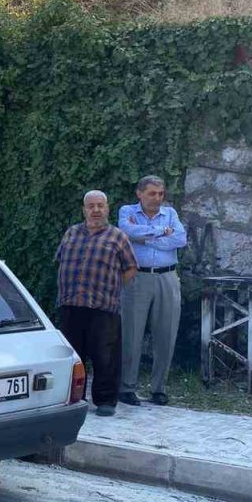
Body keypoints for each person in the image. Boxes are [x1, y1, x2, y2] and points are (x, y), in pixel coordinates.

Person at [56, 190, 138, 417]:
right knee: (74, 355)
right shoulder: (71, 233)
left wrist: (112, 287)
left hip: (103, 305)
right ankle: (75, 397)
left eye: (100, 205)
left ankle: (105, 400)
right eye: (91, 206)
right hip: (71, 304)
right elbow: (61, 259)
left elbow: (131, 267)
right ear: (84, 209)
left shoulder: (118, 237)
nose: (96, 210)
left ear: (107, 208)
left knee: (105, 356)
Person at [118, 175, 188, 406]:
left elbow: (180, 239)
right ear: (139, 193)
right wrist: (161, 231)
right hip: (137, 277)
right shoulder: (127, 211)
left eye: (160, 194)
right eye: (152, 193)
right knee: (131, 332)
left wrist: (145, 239)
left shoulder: (171, 213)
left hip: (167, 277)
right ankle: (127, 387)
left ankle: (159, 388)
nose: (157, 198)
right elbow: (127, 231)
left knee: (166, 333)